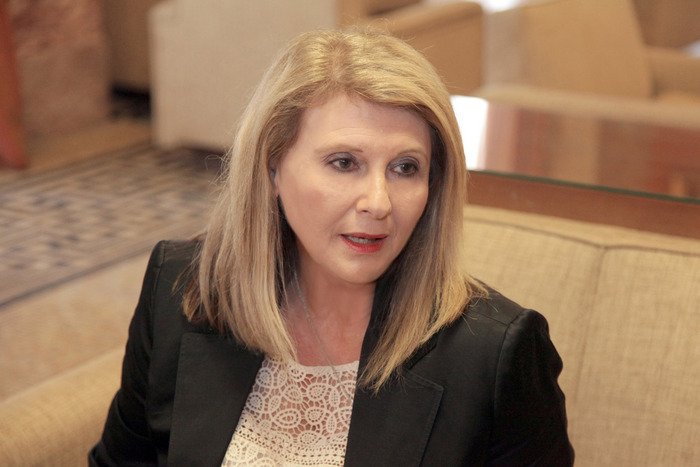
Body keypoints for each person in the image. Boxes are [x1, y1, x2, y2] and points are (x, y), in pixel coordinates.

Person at [90, 28, 574, 466]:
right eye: (344, 162)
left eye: (405, 168)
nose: (379, 203)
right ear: (272, 167)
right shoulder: (181, 287)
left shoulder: (496, 353)